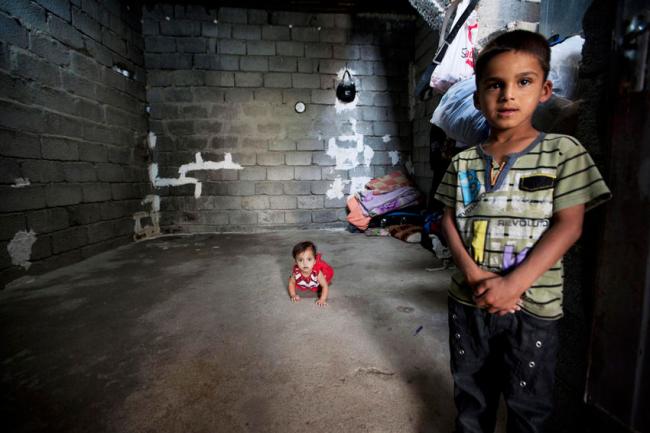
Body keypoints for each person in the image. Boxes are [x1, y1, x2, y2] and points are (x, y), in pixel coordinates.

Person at [434, 30, 611, 433]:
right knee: (471, 397)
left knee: (529, 405)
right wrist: (474, 275)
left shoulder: (563, 152)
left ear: (545, 90)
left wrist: (513, 285)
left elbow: (570, 225)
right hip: (469, 301)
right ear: (477, 97)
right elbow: (447, 220)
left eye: (524, 81)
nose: (508, 95)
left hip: (532, 307)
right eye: (495, 85)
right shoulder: (463, 162)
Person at [287, 241, 334, 307]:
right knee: (291, 279)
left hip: (316, 283)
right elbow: (291, 283)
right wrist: (293, 295)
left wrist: (323, 299)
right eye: (300, 260)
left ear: (314, 261)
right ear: (296, 262)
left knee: (324, 282)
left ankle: (322, 281)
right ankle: (307, 283)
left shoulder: (317, 272)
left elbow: (324, 286)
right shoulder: (296, 273)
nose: (305, 263)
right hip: (305, 282)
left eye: (309, 259)